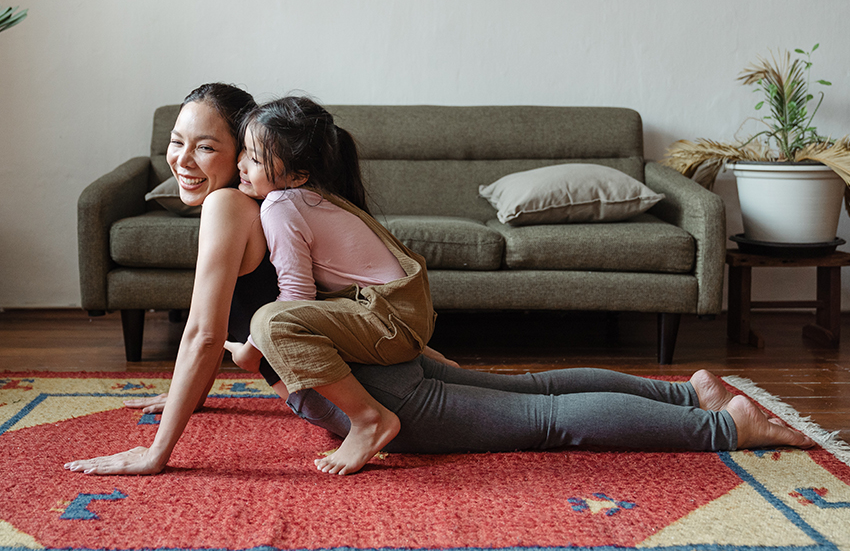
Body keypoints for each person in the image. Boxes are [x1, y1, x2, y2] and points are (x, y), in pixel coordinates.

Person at [64, 87, 814, 477]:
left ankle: (722, 425)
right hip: (378, 356)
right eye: (174, 144)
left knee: (546, 423)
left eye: (206, 146)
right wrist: (189, 386)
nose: (184, 161)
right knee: (538, 391)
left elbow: (210, 330)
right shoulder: (281, 201)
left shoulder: (237, 205)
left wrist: (158, 449)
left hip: (376, 390)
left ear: (247, 153)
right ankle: (693, 392)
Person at [222, 96, 440, 475]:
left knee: (270, 321)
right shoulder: (311, 196)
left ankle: (369, 420)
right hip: (404, 315)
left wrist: (250, 352)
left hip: (392, 323)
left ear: (298, 175)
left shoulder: (280, 205)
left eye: (255, 160)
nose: (241, 164)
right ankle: (430, 359)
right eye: (244, 151)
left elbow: (296, 296)